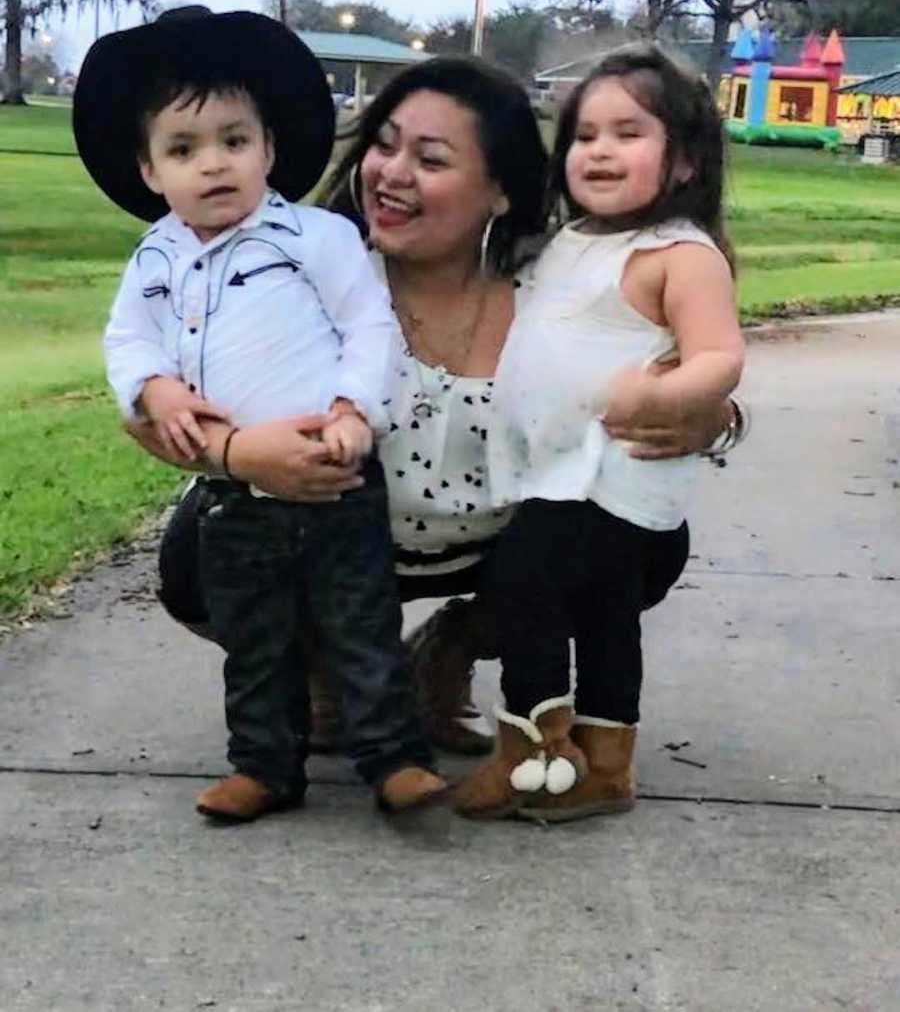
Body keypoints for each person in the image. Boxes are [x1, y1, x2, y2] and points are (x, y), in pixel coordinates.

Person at [127, 55, 743, 765]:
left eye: (431, 159)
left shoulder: (565, 284)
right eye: (384, 146)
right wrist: (237, 455)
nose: (391, 173)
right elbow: (143, 404)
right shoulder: (303, 272)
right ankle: (330, 660)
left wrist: (710, 416)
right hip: (337, 543)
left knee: (646, 543)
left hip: (500, 547)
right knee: (199, 549)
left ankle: (462, 642)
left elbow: (692, 364)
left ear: (501, 193)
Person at [73, 5, 446, 822]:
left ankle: (393, 759)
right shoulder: (154, 258)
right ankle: (265, 766)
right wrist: (155, 389)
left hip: (335, 474)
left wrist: (355, 409)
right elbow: (126, 337)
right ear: (148, 171)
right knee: (255, 640)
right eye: (183, 149)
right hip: (236, 495)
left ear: (269, 150)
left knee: (359, 623)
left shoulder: (312, 237)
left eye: (234, 142)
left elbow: (368, 325)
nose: (213, 166)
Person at [454, 43, 745, 822]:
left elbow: (720, 356)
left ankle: (533, 752)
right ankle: (607, 763)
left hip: (612, 474)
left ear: (683, 161)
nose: (600, 151)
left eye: (628, 133)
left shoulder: (679, 254)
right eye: (585, 135)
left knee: (523, 586)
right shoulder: (569, 242)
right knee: (607, 616)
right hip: (561, 472)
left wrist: (666, 397)